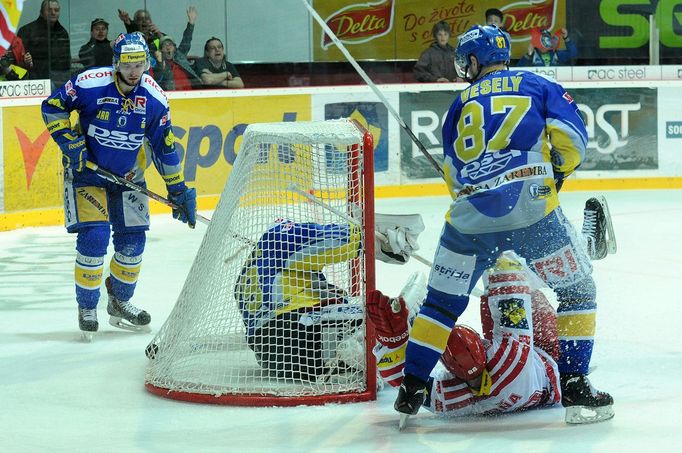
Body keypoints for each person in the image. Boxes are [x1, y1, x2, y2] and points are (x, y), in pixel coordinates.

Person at [394, 24, 612, 425]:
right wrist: (557, 173)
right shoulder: (536, 83)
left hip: (468, 222)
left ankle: (411, 387)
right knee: (577, 290)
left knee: (441, 305)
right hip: (532, 211)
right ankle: (576, 383)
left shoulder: (460, 103)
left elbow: (452, 171)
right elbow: (572, 137)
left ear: (474, 61)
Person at [40, 32, 197, 341]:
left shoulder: (155, 99)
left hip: (129, 177)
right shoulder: (89, 83)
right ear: (116, 64)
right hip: (87, 174)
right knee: (94, 237)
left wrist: (177, 189)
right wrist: (69, 142)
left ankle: (119, 300)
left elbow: (165, 147)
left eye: (139, 64)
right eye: (127, 65)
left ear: (147, 64)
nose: (133, 71)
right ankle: (87, 307)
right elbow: (52, 106)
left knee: (132, 243)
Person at [369, 252, 594, 422]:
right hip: (550, 362)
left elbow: (406, 384)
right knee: (524, 282)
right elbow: (510, 276)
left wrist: (393, 340)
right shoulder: (511, 354)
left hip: (529, 384)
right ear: (482, 344)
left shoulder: (456, 398)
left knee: (501, 294)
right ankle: (584, 250)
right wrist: (491, 249)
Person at [234, 215, 425, 380]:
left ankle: (349, 359)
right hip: (300, 333)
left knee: (348, 307)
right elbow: (326, 239)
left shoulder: (258, 272)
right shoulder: (279, 236)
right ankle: (366, 347)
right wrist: (369, 235)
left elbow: (284, 298)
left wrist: (330, 293)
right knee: (384, 314)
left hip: (274, 359)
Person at [17, 0, 71, 88]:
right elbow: (19, 61)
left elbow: (66, 61)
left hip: (60, 81)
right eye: (49, 10)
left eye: (56, 10)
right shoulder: (27, 31)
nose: (53, 13)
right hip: (35, 84)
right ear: (41, 12)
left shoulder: (63, 32)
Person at [151, 7, 201, 91]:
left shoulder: (179, 55)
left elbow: (187, 40)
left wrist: (191, 23)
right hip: (171, 95)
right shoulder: (158, 64)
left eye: (170, 44)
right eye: (164, 45)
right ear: (160, 50)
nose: (168, 47)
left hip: (191, 94)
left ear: (175, 48)